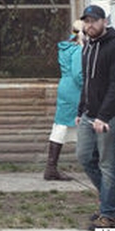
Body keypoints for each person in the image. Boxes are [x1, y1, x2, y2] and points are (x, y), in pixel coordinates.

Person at [75, 4, 115, 230]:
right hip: (90, 114)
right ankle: (110, 201)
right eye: (86, 21)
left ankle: (110, 215)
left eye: (94, 21)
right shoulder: (88, 47)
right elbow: (87, 83)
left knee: (108, 164)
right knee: (84, 157)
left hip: (113, 116)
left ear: (104, 22)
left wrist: (104, 116)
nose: (90, 25)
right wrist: (82, 111)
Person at [44, 20, 84, 181]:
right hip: (76, 90)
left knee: (61, 127)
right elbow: (79, 74)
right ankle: (112, 167)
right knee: (91, 125)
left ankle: (51, 168)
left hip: (66, 87)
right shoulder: (77, 50)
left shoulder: (66, 48)